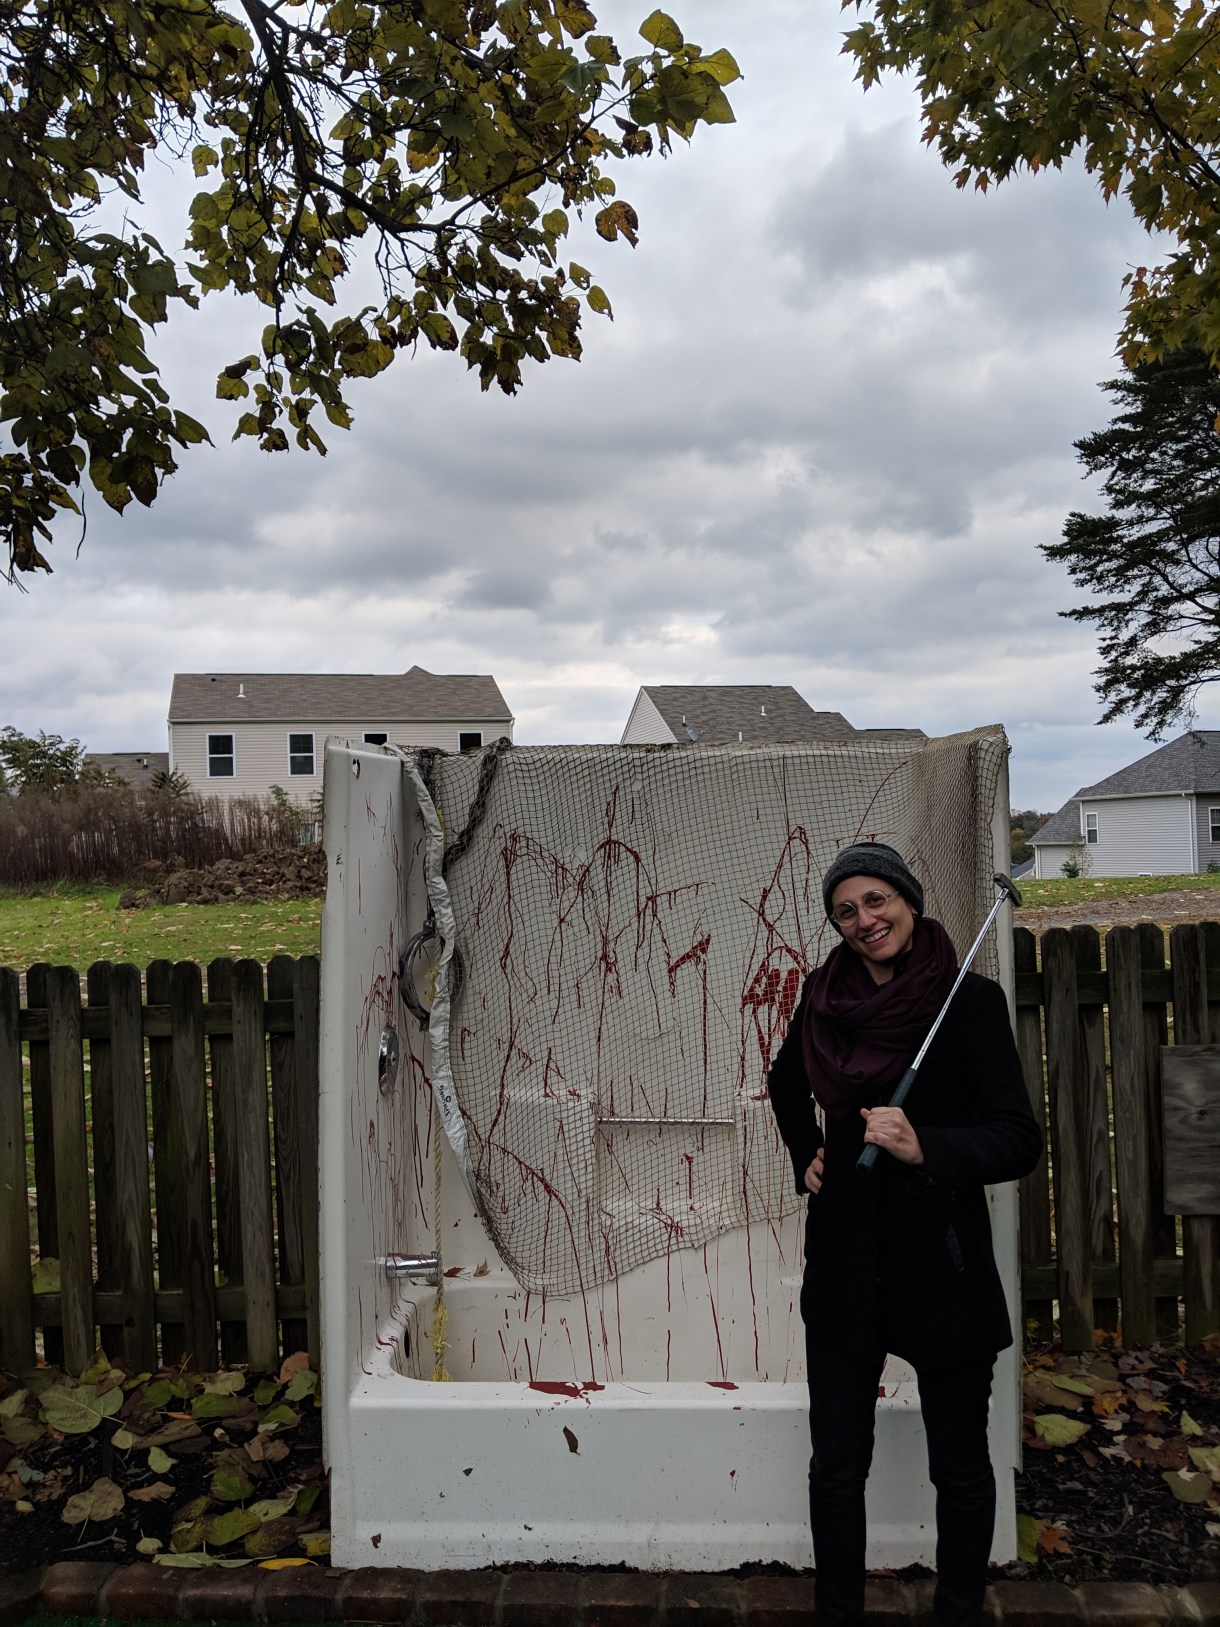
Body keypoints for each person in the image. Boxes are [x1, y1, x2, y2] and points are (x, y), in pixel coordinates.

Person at [767, 842, 1042, 1627]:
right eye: (846, 910)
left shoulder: (969, 1001)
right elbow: (788, 1080)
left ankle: (957, 1612)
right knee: (836, 1469)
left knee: (959, 1470)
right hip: (846, 1265)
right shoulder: (823, 996)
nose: (865, 920)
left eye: (877, 900)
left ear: (908, 900)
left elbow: (1018, 1138)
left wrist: (929, 1147)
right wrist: (804, 1154)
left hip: (941, 1265)